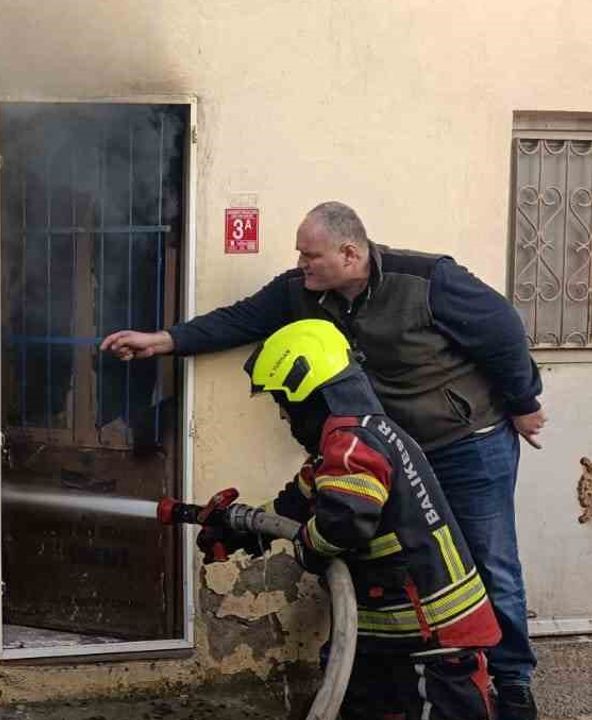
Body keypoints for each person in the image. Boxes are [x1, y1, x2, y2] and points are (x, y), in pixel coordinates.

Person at [101, 202, 542, 720]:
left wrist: (524, 402)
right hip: (390, 449)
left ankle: (512, 683)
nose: (300, 264)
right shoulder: (302, 293)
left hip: (465, 443)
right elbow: (241, 319)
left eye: (310, 256)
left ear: (349, 254)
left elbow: (502, 332)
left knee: (491, 562)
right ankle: (410, 667)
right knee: (400, 563)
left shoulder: (428, 281)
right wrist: (163, 341)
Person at [203, 319, 501, 720]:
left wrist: (307, 547)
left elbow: (343, 523)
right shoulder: (361, 435)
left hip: (429, 634)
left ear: (306, 394)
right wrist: (242, 529)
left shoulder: (350, 442)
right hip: (393, 634)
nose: (285, 418)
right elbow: (298, 501)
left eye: (282, 403)